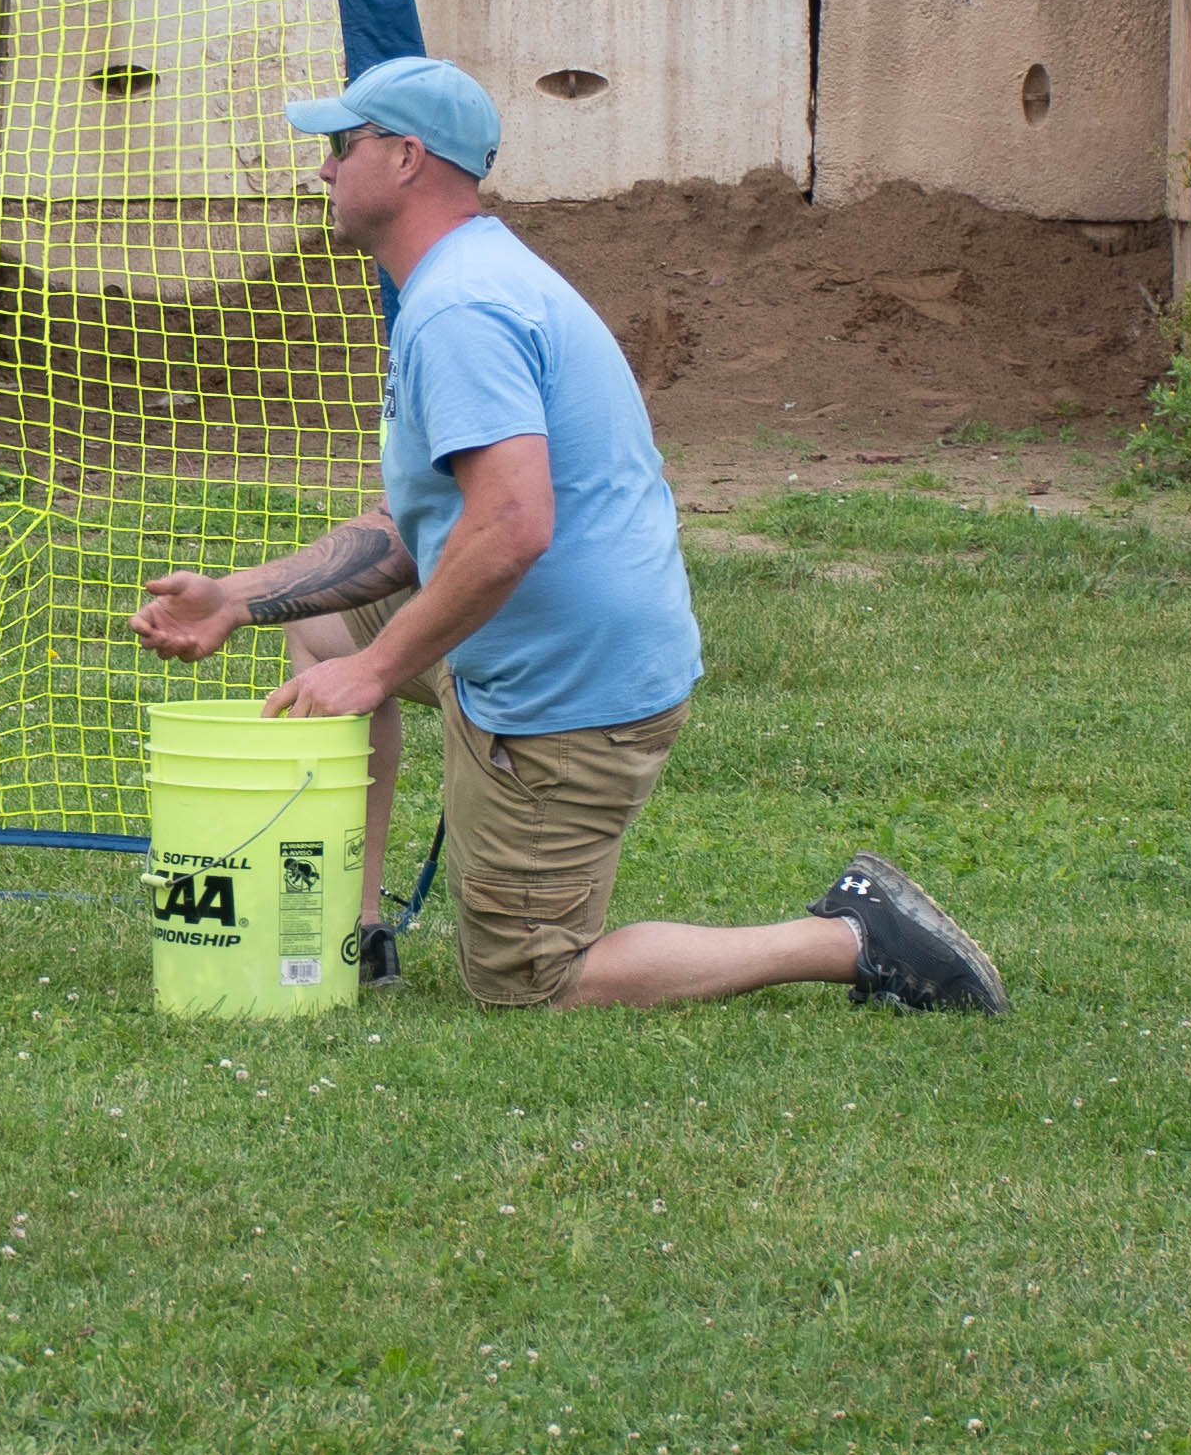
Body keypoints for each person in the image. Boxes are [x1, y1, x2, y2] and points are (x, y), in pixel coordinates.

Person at [128, 54, 1006, 1014]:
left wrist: (375, 674)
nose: (325, 169)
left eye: (342, 145)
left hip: (572, 696)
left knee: (529, 980)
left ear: (408, 158)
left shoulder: (460, 308)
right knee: (323, 631)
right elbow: (422, 529)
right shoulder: (459, 281)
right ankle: (359, 921)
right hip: (542, 638)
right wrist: (239, 597)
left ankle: (852, 935)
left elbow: (511, 527)